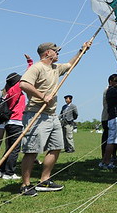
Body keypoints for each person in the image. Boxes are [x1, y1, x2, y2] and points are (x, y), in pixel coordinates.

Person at [18, 41, 90, 196]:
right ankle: (25, 185)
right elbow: (23, 84)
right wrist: (42, 96)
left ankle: (44, 180)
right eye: (56, 51)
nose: (58, 53)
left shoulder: (55, 68)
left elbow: (71, 65)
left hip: (52, 116)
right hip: (36, 114)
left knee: (56, 146)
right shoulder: (37, 67)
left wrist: (82, 50)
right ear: (47, 53)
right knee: (31, 151)